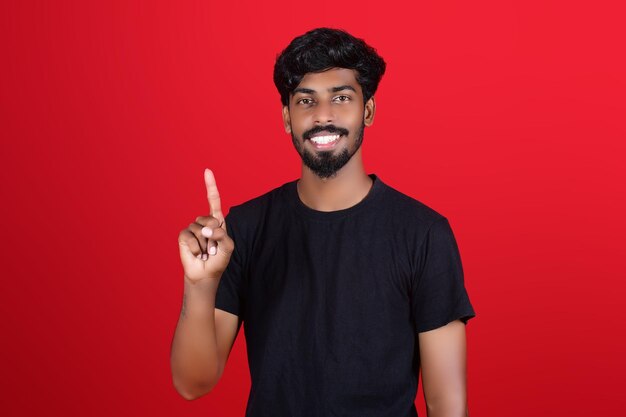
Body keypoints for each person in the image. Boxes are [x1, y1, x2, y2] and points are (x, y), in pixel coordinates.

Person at [171, 28, 476, 417]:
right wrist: (199, 285)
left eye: (342, 97)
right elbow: (192, 383)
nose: (323, 115)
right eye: (305, 100)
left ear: (368, 110)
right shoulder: (243, 230)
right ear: (287, 118)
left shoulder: (423, 234)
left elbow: (447, 402)